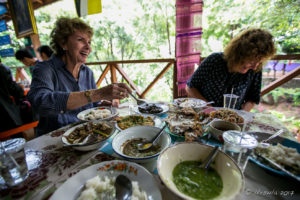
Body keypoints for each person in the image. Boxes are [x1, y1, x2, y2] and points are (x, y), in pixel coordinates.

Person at [27, 17, 131, 136]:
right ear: (63, 43)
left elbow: (90, 105)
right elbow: (41, 103)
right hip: (54, 139)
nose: (88, 47)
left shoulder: (87, 72)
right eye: (81, 40)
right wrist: (98, 94)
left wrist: (101, 106)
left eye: (89, 42)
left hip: (85, 135)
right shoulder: (44, 69)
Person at [186, 28, 276, 111]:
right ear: (240, 53)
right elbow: (190, 87)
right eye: (251, 61)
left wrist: (242, 115)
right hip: (203, 115)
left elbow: (252, 98)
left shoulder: (255, 70)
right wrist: (207, 107)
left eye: (259, 62)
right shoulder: (215, 60)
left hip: (231, 121)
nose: (255, 67)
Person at [0, 61, 24, 132]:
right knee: (15, 137)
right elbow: (12, 88)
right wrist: (20, 90)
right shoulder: (2, 69)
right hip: (5, 110)